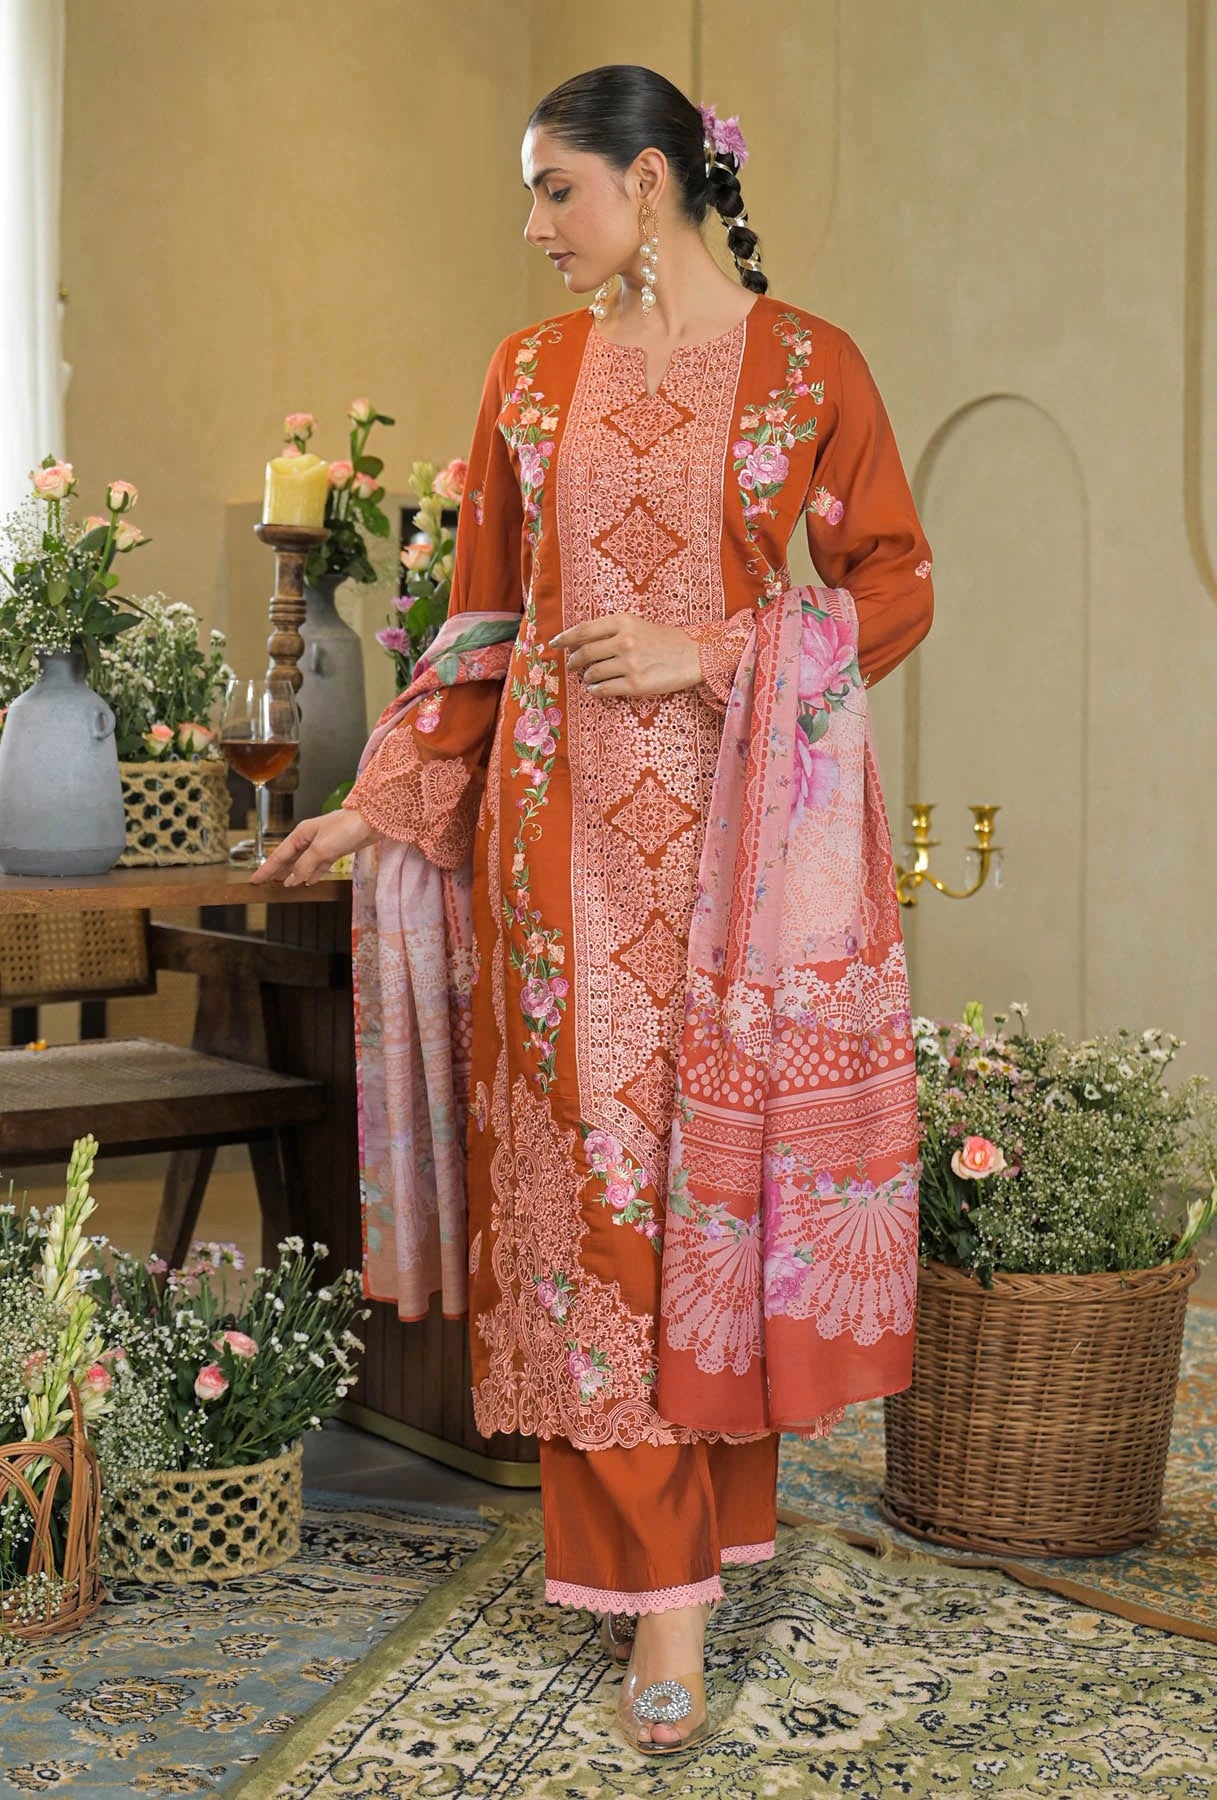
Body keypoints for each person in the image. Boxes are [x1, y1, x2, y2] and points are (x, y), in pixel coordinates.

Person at [255, 64, 933, 1756]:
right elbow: (481, 622)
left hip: (742, 870)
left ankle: (701, 1552)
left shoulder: (809, 369)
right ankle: (665, 1603)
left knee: (711, 1209)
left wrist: (710, 649)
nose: (534, 224)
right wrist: (379, 800)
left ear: (650, 182)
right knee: (590, 1221)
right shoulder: (529, 375)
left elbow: (893, 582)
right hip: (555, 870)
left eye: (556, 187)